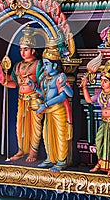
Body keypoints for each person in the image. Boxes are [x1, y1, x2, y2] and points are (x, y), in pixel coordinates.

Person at [0, 25, 43, 162]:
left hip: (34, 98)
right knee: (20, 126)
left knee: (35, 127)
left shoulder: (38, 64)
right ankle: (21, 150)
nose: (23, 52)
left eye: (26, 49)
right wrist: (1, 75)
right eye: (21, 49)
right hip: (21, 99)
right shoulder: (17, 66)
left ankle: (33, 152)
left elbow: (44, 82)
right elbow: (14, 83)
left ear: (33, 50)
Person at [30, 39, 73, 172]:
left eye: (47, 64)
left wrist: (46, 104)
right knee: (47, 135)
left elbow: (64, 96)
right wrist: (35, 89)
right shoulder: (45, 79)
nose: (45, 67)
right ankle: (50, 158)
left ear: (54, 66)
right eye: (44, 64)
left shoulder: (60, 77)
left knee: (60, 135)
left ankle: (61, 160)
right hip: (48, 110)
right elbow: (44, 95)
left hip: (58, 110)